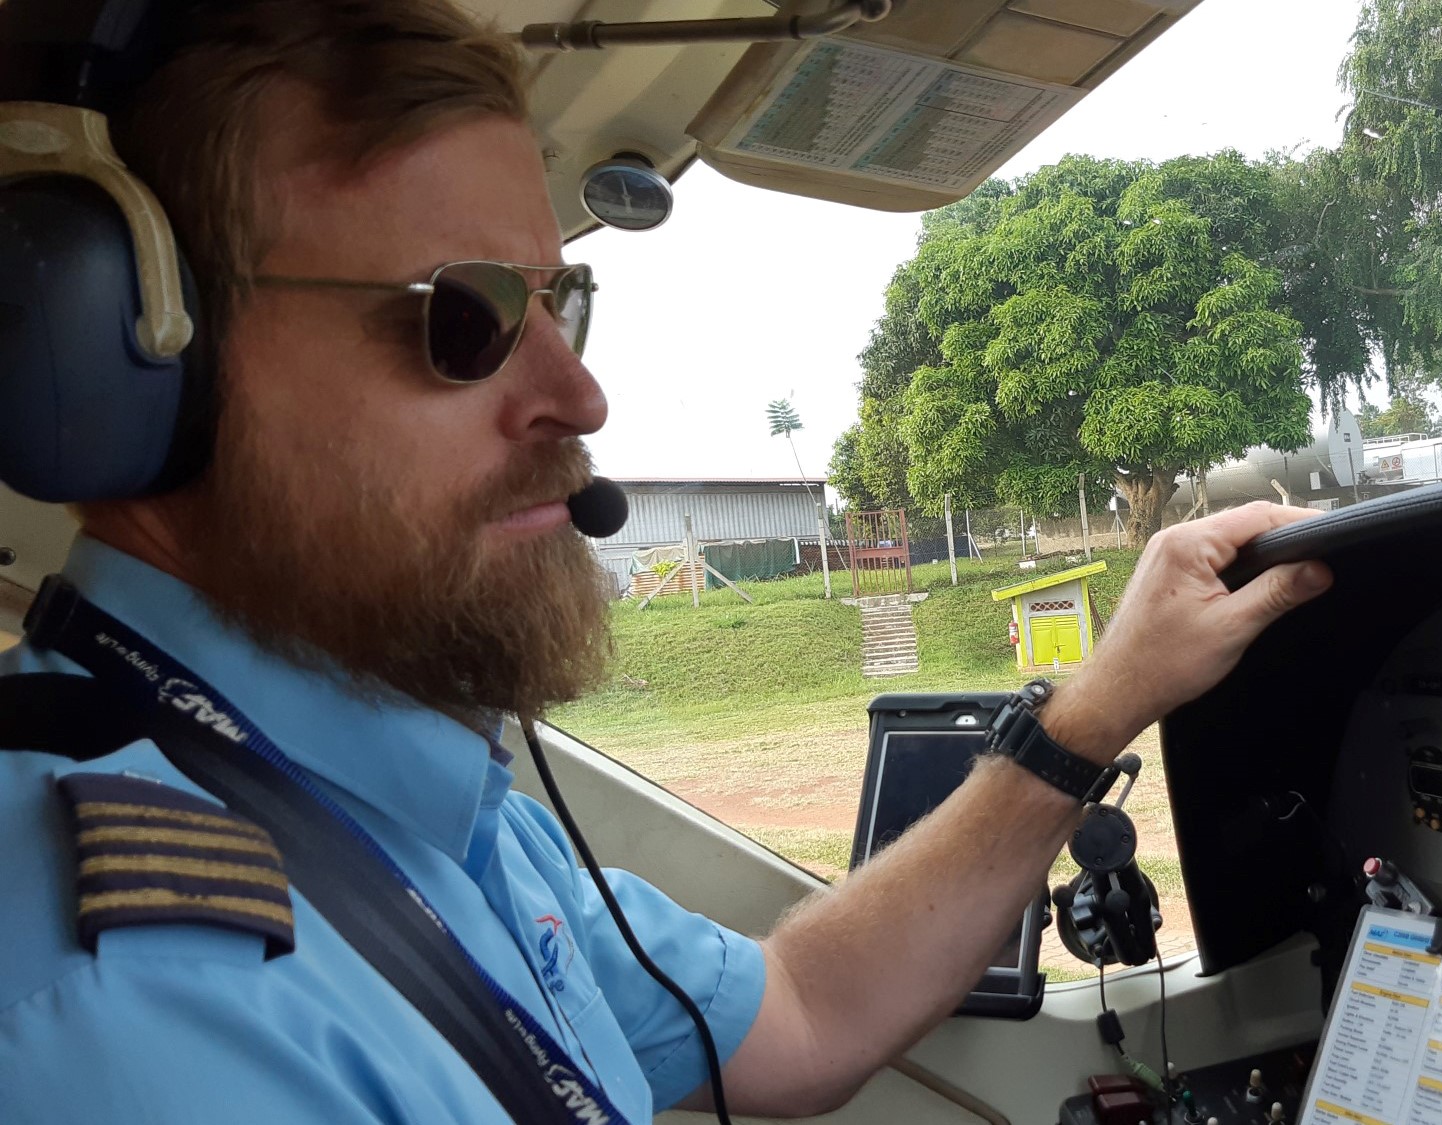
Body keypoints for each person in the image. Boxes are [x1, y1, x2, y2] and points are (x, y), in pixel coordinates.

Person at [0, 1, 1334, 1120]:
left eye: (557, 299)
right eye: (460, 316)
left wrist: (1099, 702)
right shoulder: (131, 1005)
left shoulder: (428, 808)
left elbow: (802, 1009)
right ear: (137, 365)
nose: (578, 397)